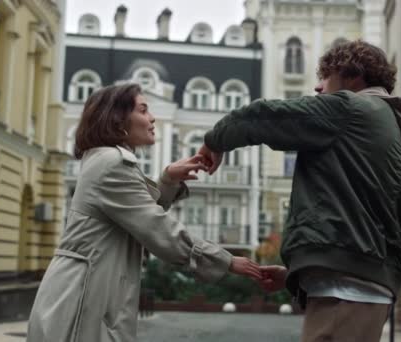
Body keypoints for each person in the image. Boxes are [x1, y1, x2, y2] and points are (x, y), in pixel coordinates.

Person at [198, 40, 401, 342]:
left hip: (346, 291)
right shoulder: (386, 125)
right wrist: (296, 272)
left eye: (325, 77)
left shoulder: (350, 109)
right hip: (363, 289)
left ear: (352, 76)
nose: (317, 88)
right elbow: (397, 220)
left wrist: (214, 141)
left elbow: (263, 117)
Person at [27, 83, 261, 342]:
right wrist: (226, 260)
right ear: (118, 119)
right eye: (143, 110)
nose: (152, 118)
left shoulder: (106, 160)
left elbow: (138, 217)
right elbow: (156, 227)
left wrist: (168, 180)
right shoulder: (111, 163)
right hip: (82, 300)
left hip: (85, 292)